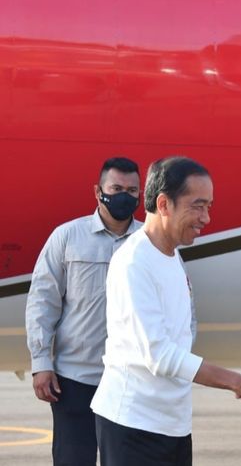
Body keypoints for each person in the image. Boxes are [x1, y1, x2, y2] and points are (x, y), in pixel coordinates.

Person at [90, 156, 241, 466]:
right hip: (133, 425)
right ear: (164, 204)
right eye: (198, 205)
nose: (206, 217)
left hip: (171, 423)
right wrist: (239, 382)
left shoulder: (170, 255)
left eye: (209, 206)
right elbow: (161, 355)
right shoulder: (134, 262)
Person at [25, 156, 142, 466]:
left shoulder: (151, 243)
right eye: (116, 187)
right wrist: (41, 362)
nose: (123, 196)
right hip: (75, 380)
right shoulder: (67, 237)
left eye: (132, 191)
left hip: (130, 382)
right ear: (97, 191)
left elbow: (181, 308)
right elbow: (42, 302)